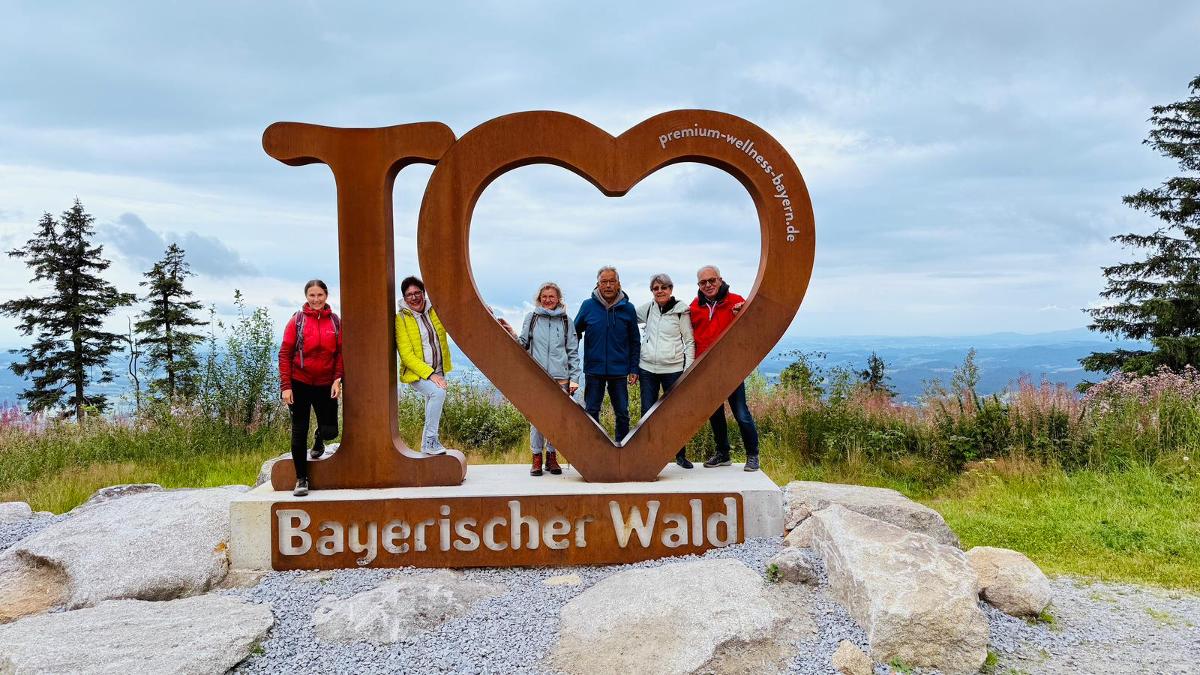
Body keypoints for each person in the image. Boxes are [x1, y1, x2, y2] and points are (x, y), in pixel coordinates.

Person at [690, 265, 760, 472]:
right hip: (707, 369)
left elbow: (753, 328)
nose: (708, 285)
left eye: (712, 280)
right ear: (698, 285)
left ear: (720, 280)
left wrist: (743, 314)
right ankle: (723, 454)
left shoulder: (736, 301)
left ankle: (753, 455)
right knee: (715, 414)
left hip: (731, 368)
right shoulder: (694, 306)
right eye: (703, 282)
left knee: (741, 413)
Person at [279, 279, 344, 497]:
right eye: (312, 295)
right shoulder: (297, 321)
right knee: (299, 430)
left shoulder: (335, 321)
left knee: (331, 431)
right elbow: (284, 354)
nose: (316, 299)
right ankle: (301, 479)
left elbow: (340, 354)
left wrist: (337, 379)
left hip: (326, 383)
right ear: (306, 296)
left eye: (320, 295)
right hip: (300, 383)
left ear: (326, 296)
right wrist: (286, 386)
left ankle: (319, 438)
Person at [516, 282, 581, 476]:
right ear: (539, 298)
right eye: (544, 296)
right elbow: (522, 343)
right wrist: (509, 332)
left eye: (551, 296)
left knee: (557, 419)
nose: (547, 300)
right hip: (537, 378)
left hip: (560, 378)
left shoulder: (566, 321)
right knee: (537, 420)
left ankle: (552, 457)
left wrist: (575, 378)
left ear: (558, 299)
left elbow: (572, 352)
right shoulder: (532, 318)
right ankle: (536, 457)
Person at [636, 273, 696, 469]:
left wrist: (688, 370)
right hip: (647, 369)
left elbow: (689, 341)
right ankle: (647, 455)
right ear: (652, 291)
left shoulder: (681, 311)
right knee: (647, 413)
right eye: (656, 288)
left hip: (674, 369)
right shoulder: (648, 309)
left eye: (663, 287)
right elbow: (626, 316)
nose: (660, 291)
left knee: (675, 413)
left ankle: (680, 455)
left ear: (671, 289)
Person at [574, 266, 640, 442]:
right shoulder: (588, 306)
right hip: (593, 369)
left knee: (622, 413)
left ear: (618, 284)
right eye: (604, 282)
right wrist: (571, 358)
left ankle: (622, 448)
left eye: (612, 281)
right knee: (591, 412)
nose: (608, 285)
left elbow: (635, 341)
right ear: (598, 284)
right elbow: (574, 332)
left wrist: (634, 368)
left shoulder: (628, 308)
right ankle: (593, 448)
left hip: (619, 370)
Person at [396, 276, 453, 456]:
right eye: (409, 295)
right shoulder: (401, 319)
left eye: (417, 293)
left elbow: (456, 316)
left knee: (432, 401)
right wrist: (430, 375)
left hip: (438, 369)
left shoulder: (435, 311)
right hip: (417, 373)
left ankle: (426, 447)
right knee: (438, 393)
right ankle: (431, 440)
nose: (414, 297)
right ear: (404, 298)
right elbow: (406, 356)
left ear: (424, 293)